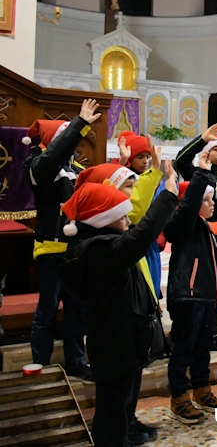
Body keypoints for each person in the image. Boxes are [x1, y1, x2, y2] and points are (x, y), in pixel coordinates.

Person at [59, 170, 178, 447]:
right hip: (114, 343)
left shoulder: (100, 244)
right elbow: (143, 234)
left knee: (122, 406)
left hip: (124, 340)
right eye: (122, 215)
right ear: (103, 220)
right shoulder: (98, 250)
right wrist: (168, 196)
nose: (128, 220)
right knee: (111, 414)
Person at [23, 99, 101, 383]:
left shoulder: (76, 169)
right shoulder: (37, 165)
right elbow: (53, 155)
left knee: (76, 311)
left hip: (75, 251)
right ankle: (39, 364)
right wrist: (78, 124)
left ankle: (76, 363)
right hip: (51, 250)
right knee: (46, 310)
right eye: (65, 138)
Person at [163, 154, 217, 424]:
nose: (212, 204)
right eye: (206, 199)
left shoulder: (209, 228)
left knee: (203, 348)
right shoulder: (182, 225)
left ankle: (202, 389)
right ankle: (179, 397)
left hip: (205, 296)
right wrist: (201, 175)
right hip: (187, 296)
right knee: (184, 349)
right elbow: (189, 204)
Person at [176, 124, 217, 351]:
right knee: (205, 285)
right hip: (200, 238)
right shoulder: (199, 174)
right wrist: (202, 139)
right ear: (208, 153)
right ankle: (204, 332)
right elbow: (181, 160)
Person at [116, 132, 167, 300]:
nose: (145, 161)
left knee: (151, 280)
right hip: (134, 237)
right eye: (140, 157)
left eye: (147, 156)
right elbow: (135, 211)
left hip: (150, 241)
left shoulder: (151, 180)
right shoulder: (125, 181)